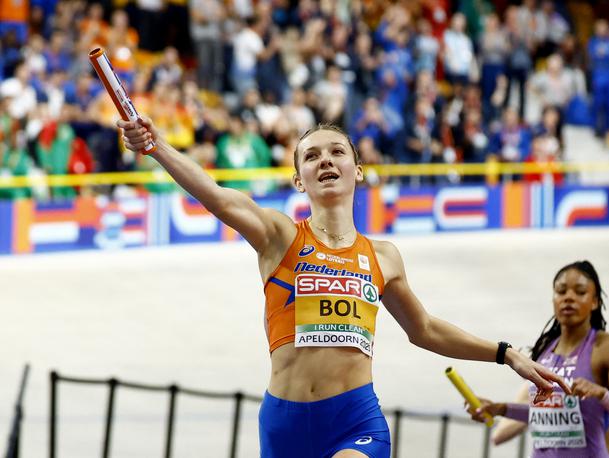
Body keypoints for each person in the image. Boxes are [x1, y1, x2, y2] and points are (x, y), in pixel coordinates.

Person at [117, 117, 569, 458]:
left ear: (359, 169)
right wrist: (156, 147)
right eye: (311, 156)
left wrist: (506, 353)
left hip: (355, 420)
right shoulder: (280, 237)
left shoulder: (384, 257)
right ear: (298, 180)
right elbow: (215, 193)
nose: (326, 161)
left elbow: (425, 329)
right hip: (283, 422)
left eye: (337, 152)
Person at [469, 260, 609, 457]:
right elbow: (544, 417)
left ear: (595, 301)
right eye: (561, 291)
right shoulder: (544, 350)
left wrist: (602, 395)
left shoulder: (608, 348)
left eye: (580, 292)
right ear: (553, 299)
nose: (568, 298)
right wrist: (501, 408)